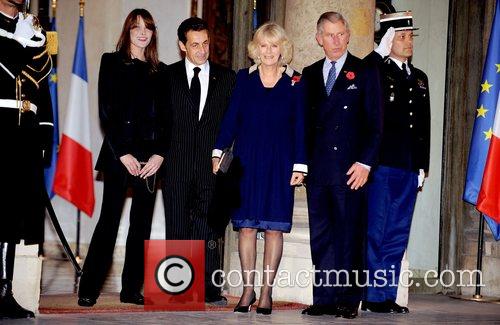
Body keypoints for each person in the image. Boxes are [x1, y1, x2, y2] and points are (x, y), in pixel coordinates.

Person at [212, 22, 307, 315]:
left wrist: (300, 164)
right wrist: (218, 151)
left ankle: (267, 292)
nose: (269, 52)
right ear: (256, 49)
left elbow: (301, 126)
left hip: (280, 163)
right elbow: (231, 119)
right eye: (263, 46)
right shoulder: (244, 78)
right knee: (246, 228)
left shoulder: (296, 81)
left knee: (275, 229)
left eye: (274, 45)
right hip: (247, 162)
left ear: (283, 49)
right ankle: (247, 289)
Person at [78, 9, 168, 307]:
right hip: (120, 153)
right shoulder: (111, 61)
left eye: (148, 28)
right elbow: (107, 112)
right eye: (136, 27)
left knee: (141, 225)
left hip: (151, 158)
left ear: (153, 33)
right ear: (127, 31)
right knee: (109, 221)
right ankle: (88, 288)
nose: (143, 32)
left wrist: (159, 154)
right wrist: (124, 152)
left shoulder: (161, 70)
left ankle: (131, 290)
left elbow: (168, 120)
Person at [301, 12, 383, 319]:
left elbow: (376, 124)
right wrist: (302, 163)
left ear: (348, 36)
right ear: (318, 38)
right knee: (322, 236)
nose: (335, 41)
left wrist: (366, 163)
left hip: (351, 170)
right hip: (319, 170)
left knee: (350, 235)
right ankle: (323, 298)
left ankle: (349, 298)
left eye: (340, 34)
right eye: (329, 35)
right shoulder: (308, 74)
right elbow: (304, 125)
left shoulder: (364, 71)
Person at [161, 17, 235, 306]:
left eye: (205, 44)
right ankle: (178, 290)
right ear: (182, 46)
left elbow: (233, 122)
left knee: (208, 229)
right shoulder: (167, 76)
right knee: (178, 227)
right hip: (177, 166)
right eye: (195, 45)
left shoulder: (227, 78)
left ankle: (209, 290)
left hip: (212, 167)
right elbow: (160, 122)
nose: (202, 50)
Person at [361, 11, 430, 314]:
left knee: (398, 233)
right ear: (388, 40)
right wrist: (378, 54)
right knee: (376, 231)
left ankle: (387, 294)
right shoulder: (376, 70)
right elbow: (360, 74)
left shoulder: (419, 77)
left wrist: (422, 166)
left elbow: (423, 124)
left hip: (407, 166)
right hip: (382, 165)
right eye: (401, 36)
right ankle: (373, 296)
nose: (408, 41)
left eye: (410, 36)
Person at [0, 0, 54, 319]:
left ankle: (4, 290)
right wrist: (21, 40)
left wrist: (44, 132)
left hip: (24, 133)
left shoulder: (33, 30)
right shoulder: (25, 35)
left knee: (11, 216)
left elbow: (41, 86)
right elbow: (10, 64)